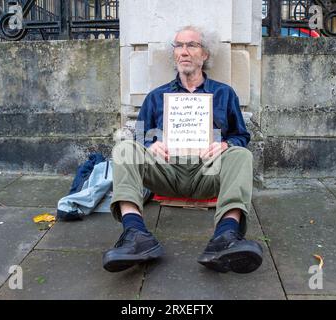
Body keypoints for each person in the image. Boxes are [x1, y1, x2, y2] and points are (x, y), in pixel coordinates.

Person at [102, 25, 263, 274]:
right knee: (124, 149)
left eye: (192, 45)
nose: (184, 51)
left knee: (241, 154)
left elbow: (241, 135)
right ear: (174, 53)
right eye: (178, 45)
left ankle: (226, 237)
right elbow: (139, 136)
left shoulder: (224, 94)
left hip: (208, 172)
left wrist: (225, 145)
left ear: (205, 54)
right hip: (166, 171)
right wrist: (150, 145)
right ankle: (135, 234)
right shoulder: (156, 97)